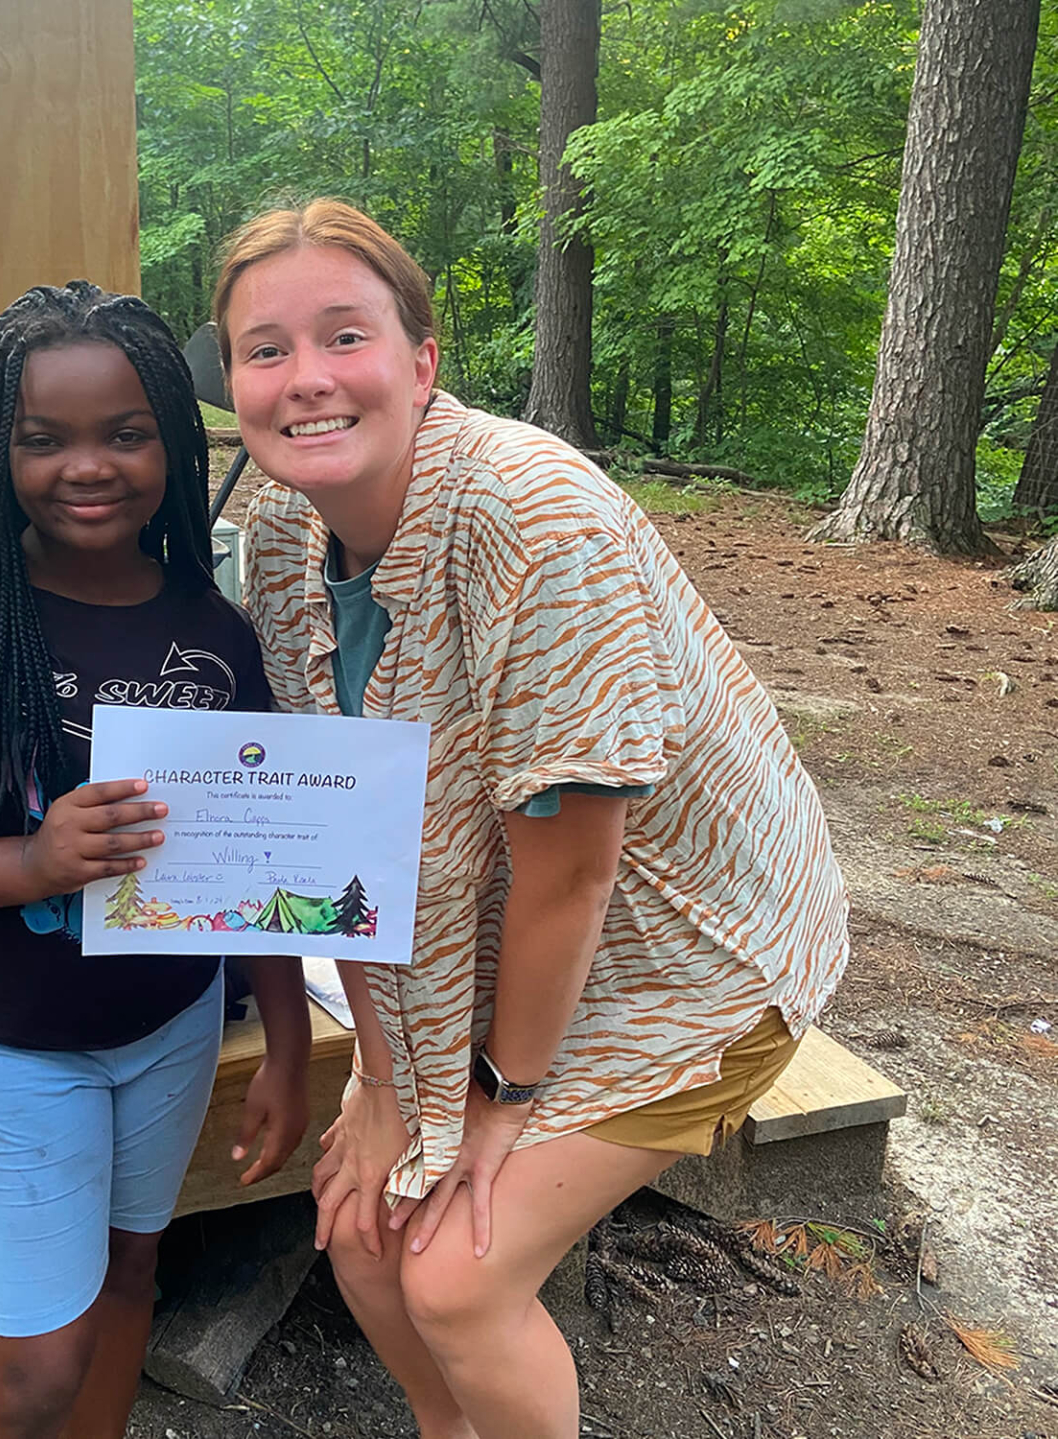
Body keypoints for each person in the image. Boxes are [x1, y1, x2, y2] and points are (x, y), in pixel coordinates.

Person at [213, 200, 849, 1439]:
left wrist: (489, 1108)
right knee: (361, 1226)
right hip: (504, 941)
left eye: (344, 335)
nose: (306, 380)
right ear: (232, 380)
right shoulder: (286, 537)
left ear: (421, 361)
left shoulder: (533, 520)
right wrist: (390, 1082)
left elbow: (573, 876)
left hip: (688, 949)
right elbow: (332, 829)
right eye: (265, 348)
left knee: (456, 1276)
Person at [0, 282, 311, 1439]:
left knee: (132, 1280)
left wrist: (286, 1041)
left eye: (126, 433)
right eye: (43, 439)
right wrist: (27, 864)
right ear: (0, 452)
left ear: (175, 448)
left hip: (172, 1028)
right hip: (11, 1042)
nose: (87, 466)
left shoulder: (212, 621)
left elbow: (265, 852)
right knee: (37, 1363)